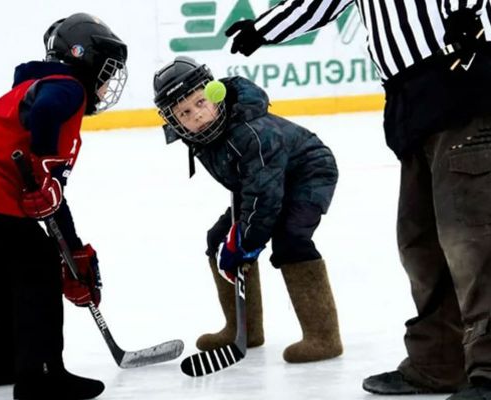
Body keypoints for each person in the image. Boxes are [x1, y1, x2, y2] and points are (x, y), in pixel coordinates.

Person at [224, 1, 491, 399]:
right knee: (420, 245)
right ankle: (439, 363)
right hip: (413, 105)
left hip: (465, 84)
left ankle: (487, 371)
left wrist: (475, 14)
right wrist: (265, 28)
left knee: (470, 241)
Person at [0, 13, 127, 400]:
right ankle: (41, 376)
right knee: (37, 264)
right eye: (106, 73)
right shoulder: (67, 88)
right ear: (82, 59)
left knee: (4, 271)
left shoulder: (40, 86)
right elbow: (46, 113)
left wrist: (75, 250)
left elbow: (52, 195)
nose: (105, 87)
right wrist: (41, 164)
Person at [152, 56, 343, 363]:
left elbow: (264, 197)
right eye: (184, 112)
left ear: (214, 93)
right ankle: (245, 328)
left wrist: (248, 242)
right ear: (173, 120)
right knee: (218, 239)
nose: (196, 116)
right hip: (263, 181)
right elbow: (252, 187)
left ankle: (324, 337)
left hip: (307, 173)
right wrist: (237, 237)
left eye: (200, 103)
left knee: (290, 239)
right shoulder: (204, 136)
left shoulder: (252, 132)